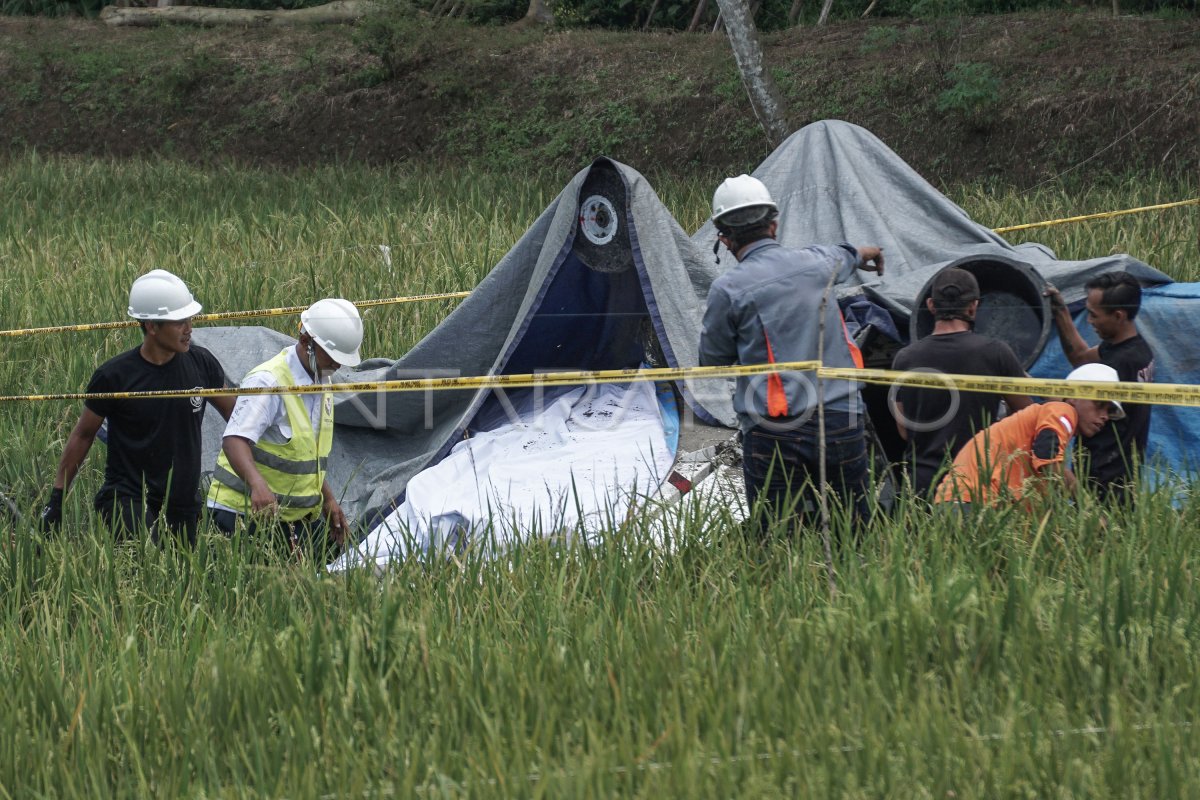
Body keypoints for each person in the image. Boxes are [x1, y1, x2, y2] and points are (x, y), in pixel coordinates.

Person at [698, 174, 885, 538]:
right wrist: (871, 253)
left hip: (772, 429)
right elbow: (852, 254)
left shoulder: (728, 290)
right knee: (855, 527)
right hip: (841, 416)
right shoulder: (821, 261)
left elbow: (713, 359)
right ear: (774, 223)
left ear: (724, 237)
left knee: (779, 535)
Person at [40, 269, 234, 543]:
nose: (189, 328)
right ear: (152, 326)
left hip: (182, 504)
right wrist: (57, 498)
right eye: (179, 321)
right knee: (145, 560)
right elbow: (83, 435)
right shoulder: (114, 376)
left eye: (190, 318)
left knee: (183, 580)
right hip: (128, 498)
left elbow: (237, 419)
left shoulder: (201, 364)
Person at [206, 298, 363, 557]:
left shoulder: (321, 381)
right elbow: (234, 440)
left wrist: (328, 499)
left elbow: (305, 455)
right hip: (241, 516)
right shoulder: (269, 381)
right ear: (306, 342)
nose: (339, 365)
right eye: (333, 357)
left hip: (289, 519)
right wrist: (257, 485)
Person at [891, 267, 1033, 496]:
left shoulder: (905, 359)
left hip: (923, 485)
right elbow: (1026, 417)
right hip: (978, 482)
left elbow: (904, 431)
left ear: (930, 305)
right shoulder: (995, 353)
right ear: (973, 307)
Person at [932, 363, 1125, 511]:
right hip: (973, 503)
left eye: (1109, 410)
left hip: (958, 502)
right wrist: (1088, 508)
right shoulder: (1062, 411)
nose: (1105, 416)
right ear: (1073, 396)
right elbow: (1047, 456)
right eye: (1099, 404)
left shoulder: (1045, 422)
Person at [1045, 272, 1154, 502]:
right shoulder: (1134, 348)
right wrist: (1061, 312)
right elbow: (1082, 358)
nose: (1089, 321)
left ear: (1118, 315)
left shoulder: (1120, 365)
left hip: (1103, 479)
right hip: (1119, 476)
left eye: (1094, 315)